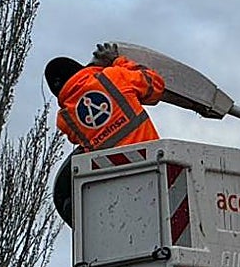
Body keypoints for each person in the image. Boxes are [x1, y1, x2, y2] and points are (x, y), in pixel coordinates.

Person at [47, 42, 166, 225]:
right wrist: (116, 61)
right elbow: (155, 85)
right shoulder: (113, 76)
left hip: (115, 182)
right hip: (152, 164)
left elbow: (79, 89)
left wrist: (93, 68)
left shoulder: (65, 119)